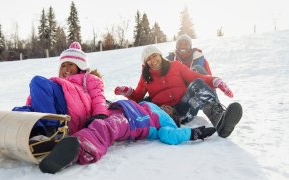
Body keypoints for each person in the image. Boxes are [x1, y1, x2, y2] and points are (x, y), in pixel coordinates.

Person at [38, 100, 216, 174]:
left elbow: (169, 135)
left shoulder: (166, 121)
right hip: (119, 109)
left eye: (169, 108)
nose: (165, 107)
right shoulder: (148, 103)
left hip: (134, 121)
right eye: (165, 107)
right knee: (93, 122)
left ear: (174, 115)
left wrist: (193, 133)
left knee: (107, 128)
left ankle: (81, 149)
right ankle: (59, 144)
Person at [114, 45, 242, 139]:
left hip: (185, 107)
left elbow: (195, 77)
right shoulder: (146, 77)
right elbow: (138, 96)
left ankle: (220, 121)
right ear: (145, 63)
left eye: (154, 56)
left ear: (160, 56)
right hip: (169, 115)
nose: (153, 60)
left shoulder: (175, 66)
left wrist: (215, 81)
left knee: (197, 85)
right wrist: (128, 92)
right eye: (148, 59)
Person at [12, 42, 109, 136]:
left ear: (80, 66)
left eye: (70, 64)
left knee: (37, 81)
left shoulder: (90, 78)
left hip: (74, 113)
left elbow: (98, 97)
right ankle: (34, 132)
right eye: (63, 66)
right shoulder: (58, 84)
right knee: (20, 111)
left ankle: (51, 129)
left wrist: (100, 115)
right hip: (59, 114)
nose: (66, 69)